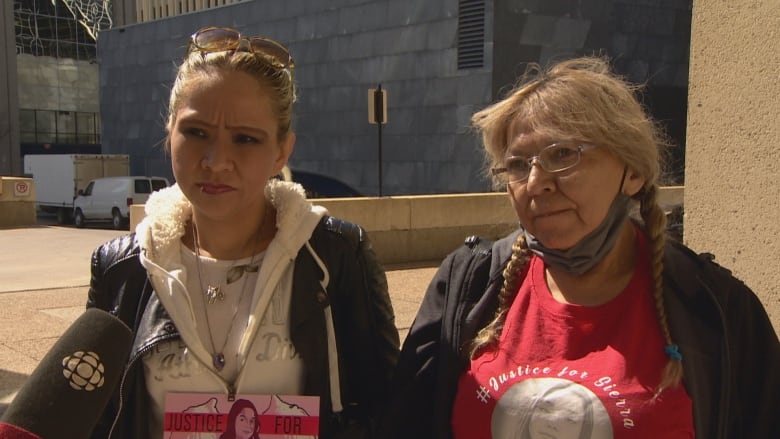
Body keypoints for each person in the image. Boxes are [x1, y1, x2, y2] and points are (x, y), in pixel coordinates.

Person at [381, 56, 780, 438]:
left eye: (563, 154)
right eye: (518, 164)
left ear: (634, 171)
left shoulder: (714, 307)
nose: (536, 183)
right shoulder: (468, 282)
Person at [86, 26, 399, 439]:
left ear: (281, 151)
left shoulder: (337, 254)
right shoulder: (121, 268)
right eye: (197, 132)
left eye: (246, 139)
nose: (216, 161)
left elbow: (387, 406)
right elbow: (93, 417)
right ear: (169, 131)